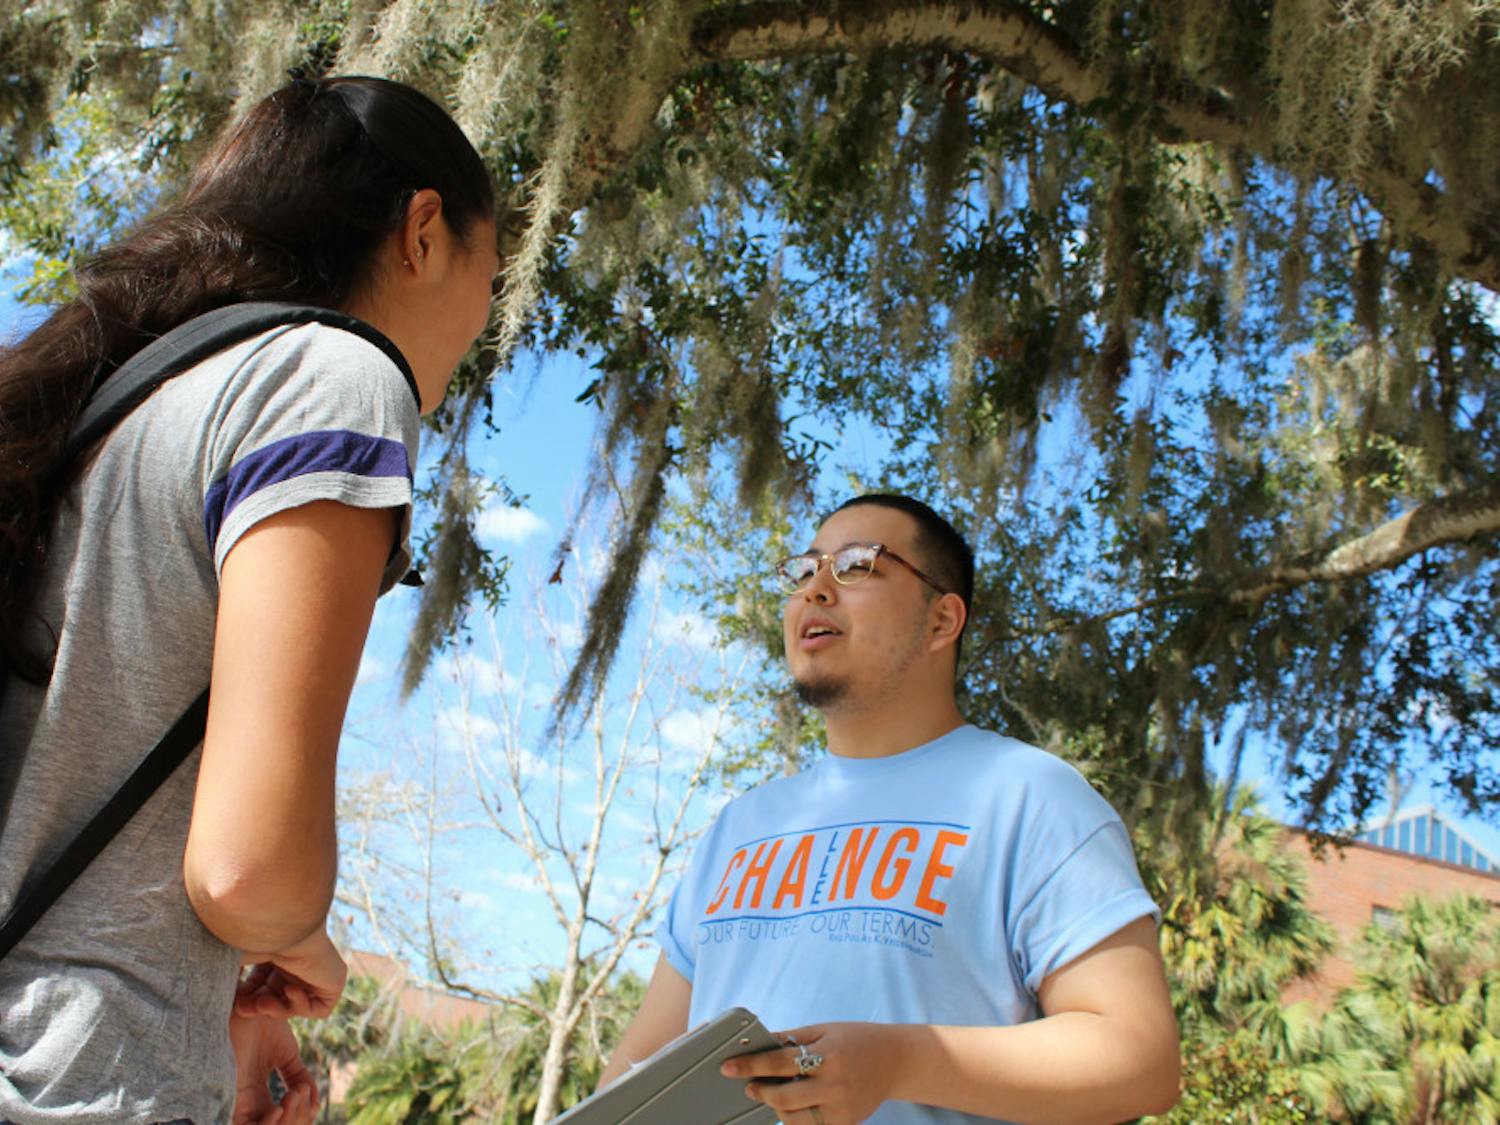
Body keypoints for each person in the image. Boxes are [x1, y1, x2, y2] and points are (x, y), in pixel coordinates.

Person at [0, 74, 499, 1124]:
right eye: (490, 274)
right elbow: (248, 872)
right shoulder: (335, 378)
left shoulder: (125, 396)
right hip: (86, 1078)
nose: (485, 323)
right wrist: (300, 941)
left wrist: (220, 988)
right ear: (423, 232)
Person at [599, 495, 1181, 1124]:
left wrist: (901, 1061)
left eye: (857, 566)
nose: (816, 589)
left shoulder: (1031, 797)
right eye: (804, 570)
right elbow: (638, 1071)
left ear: (942, 620)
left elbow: (1140, 1060)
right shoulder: (738, 827)